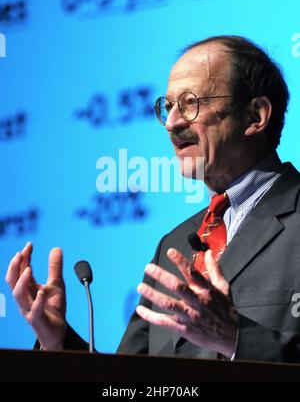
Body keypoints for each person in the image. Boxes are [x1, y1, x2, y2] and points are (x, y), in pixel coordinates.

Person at [6, 35, 300, 362]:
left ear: (255, 116)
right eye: (169, 106)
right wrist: (59, 340)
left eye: (191, 103)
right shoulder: (173, 246)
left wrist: (235, 338)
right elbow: (126, 382)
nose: (172, 123)